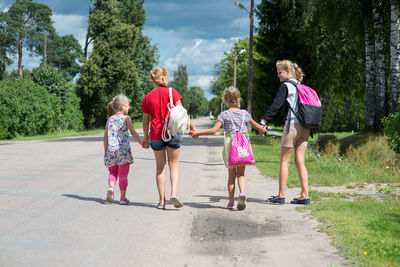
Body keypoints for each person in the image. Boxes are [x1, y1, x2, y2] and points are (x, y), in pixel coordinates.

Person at [190, 86, 266, 210]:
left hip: (230, 148)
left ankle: (231, 202)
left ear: (225, 100)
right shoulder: (244, 114)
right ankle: (242, 193)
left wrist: (198, 133)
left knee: (231, 175)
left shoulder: (224, 115)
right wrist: (262, 130)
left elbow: (214, 130)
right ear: (239, 99)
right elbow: (258, 127)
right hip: (242, 148)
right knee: (241, 174)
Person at [141, 66, 196, 210]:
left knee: (160, 168)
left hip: (156, 135)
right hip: (173, 133)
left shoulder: (148, 97)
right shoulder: (173, 93)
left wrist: (146, 138)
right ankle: (174, 194)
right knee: (174, 165)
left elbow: (145, 121)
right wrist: (192, 128)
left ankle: (161, 201)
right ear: (164, 78)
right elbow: (182, 114)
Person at [261, 60, 311, 205]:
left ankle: (281, 195)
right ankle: (305, 195)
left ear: (288, 72)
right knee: (300, 161)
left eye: (280, 72)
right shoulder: (302, 86)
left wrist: (264, 121)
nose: (278, 75)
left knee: (285, 160)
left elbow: (276, 105)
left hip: (292, 126)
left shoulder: (286, 86)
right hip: (306, 127)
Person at [104, 94, 143, 205]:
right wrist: (142, 143)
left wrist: (105, 151)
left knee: (113, 172)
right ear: (121, 106)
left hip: (111, 150)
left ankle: (111, 187)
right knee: (123, 174)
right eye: (127, 105)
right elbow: (134, 133)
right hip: (123, 151)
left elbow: (105, 137)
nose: (129, 107)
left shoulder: (110, 119)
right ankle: (122, 198)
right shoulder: (126, 118)